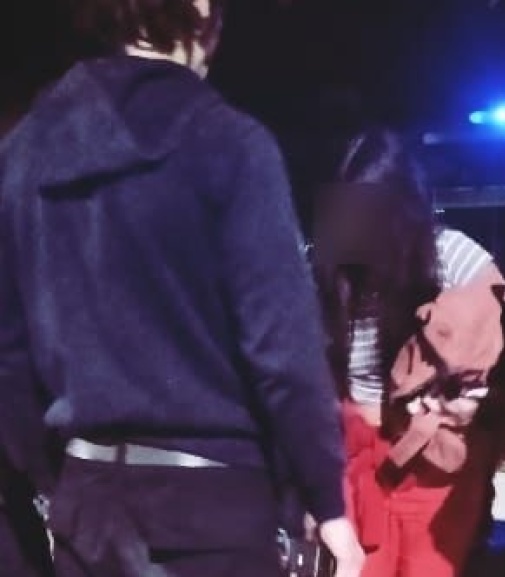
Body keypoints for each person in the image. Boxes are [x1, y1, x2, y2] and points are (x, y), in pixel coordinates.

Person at [0, 1, 364, 576]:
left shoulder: (23, 154)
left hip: (88, 514)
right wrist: (327, 503)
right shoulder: (230, 144)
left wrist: (55, 482)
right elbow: (284, 355)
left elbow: (9, 360)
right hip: (214, 514)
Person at [310, 128, 505, 577]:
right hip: (354, 458)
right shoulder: (323, 267)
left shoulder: (454, 258)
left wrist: (469, 403)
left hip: (433, 459)